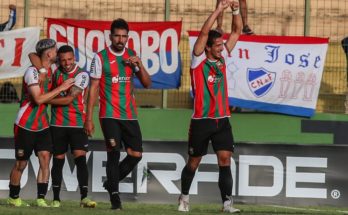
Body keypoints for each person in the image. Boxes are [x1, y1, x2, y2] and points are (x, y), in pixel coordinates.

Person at [178, 0, 242, 213]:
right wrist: (218, 10)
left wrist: (235, 9)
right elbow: (204, 33)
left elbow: (237, 30)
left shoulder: (222, 58)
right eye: (217, 45)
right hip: (201, 121)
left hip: (222, 120)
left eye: (221, 45)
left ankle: (226, 204)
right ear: (207, 47)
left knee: (225, 160)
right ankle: (184, 197)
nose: (221, 48)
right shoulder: (198, 61)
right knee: (193, 162)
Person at [84, 18, 151, 210]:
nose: (120, 40)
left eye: (124, 37)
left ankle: (110, 183)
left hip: (129, 115)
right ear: (110, 36)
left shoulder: (131, 56)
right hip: (109, 114)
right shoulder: (100, 57)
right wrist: (88, 118)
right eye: (117, 36)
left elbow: (147, 83)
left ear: (127, 38)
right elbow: (93, 88)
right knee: (114, 153)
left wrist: (139, 64)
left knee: (136, 154)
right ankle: (115, 199)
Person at [7, 39, 74, 207]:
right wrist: (60, 88)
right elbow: (37, 99)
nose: (57, 52)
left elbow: (32, 54)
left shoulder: (50, 69)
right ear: (49, 53)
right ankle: (13, 197)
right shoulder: (32, 72)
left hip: (43, 124)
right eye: (55, 49)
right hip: (25, 124)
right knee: (21, 163)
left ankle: (41, 198)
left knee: (45, 158)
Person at [29, 45, 97, 208]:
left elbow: (68, 99)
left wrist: (42, 99)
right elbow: (32, 54)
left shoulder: (81, 75)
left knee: (80, 159)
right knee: (58, 161)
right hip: (57, 124)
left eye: (69, 59)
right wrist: (42, 70)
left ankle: (84, 198)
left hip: (77, 123)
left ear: (74, 58)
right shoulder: (55, 71)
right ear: (59, 60)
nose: (66, 63)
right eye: (63, 60)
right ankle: (56, 199)